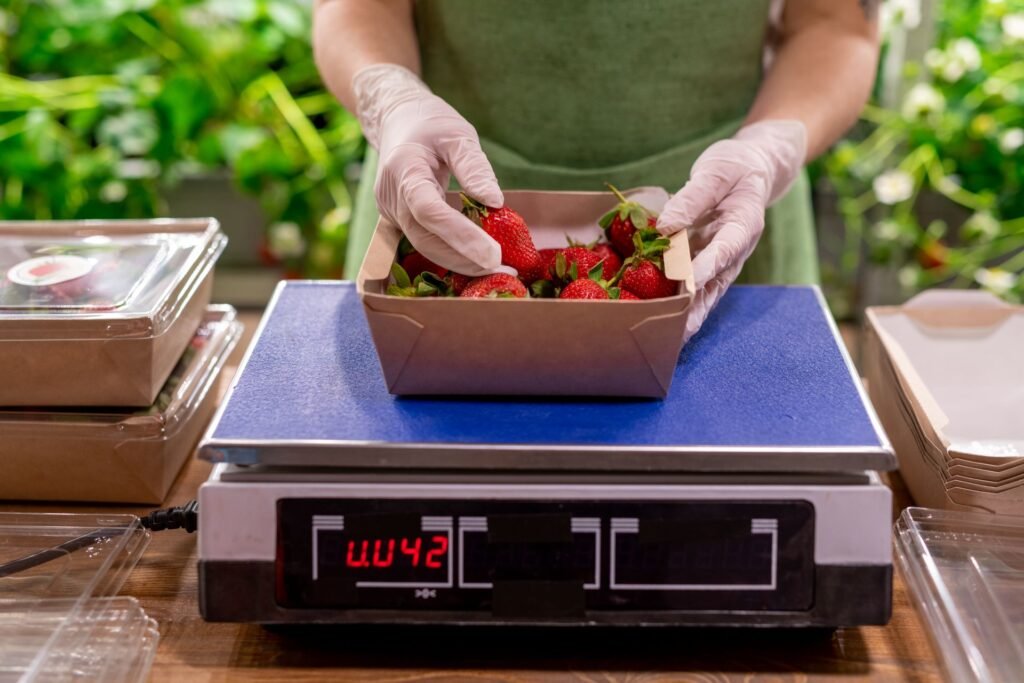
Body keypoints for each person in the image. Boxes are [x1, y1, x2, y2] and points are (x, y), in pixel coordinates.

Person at [313, 1, 879, 338]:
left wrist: (769, 148)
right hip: (438, 203)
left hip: (716, 220)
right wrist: (391, 99)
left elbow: (836, 22)